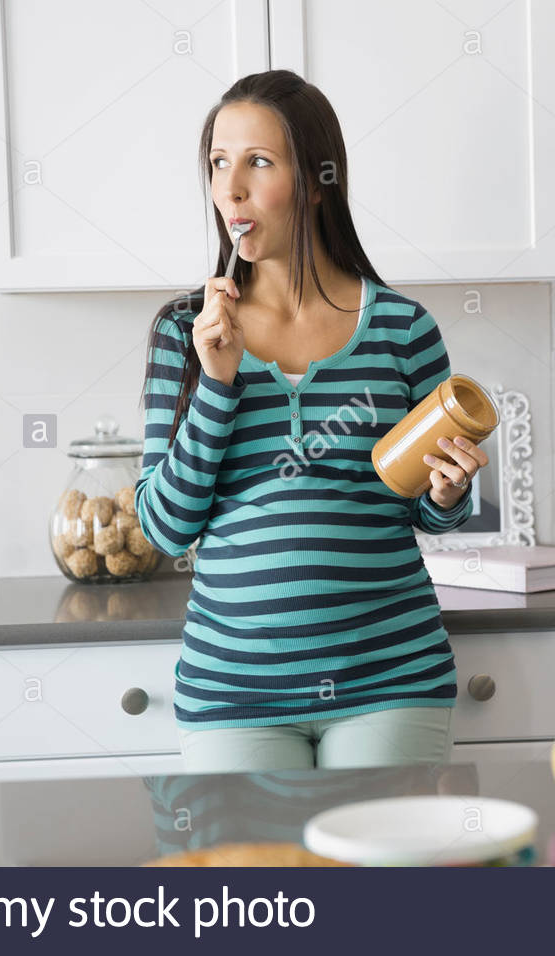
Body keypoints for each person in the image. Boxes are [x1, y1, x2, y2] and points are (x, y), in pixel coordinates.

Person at [134, 70, 489, 774]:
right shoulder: (186, 332)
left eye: (258, 163)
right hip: (234, 691)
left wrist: (448, 495)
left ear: (318, 181)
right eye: (217, 163)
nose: (230, 189)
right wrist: (218, 383)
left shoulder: (403, 329)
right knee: (261, 888)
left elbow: (431, 509)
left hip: (391, 681)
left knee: (381, 883)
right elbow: (163, 527)